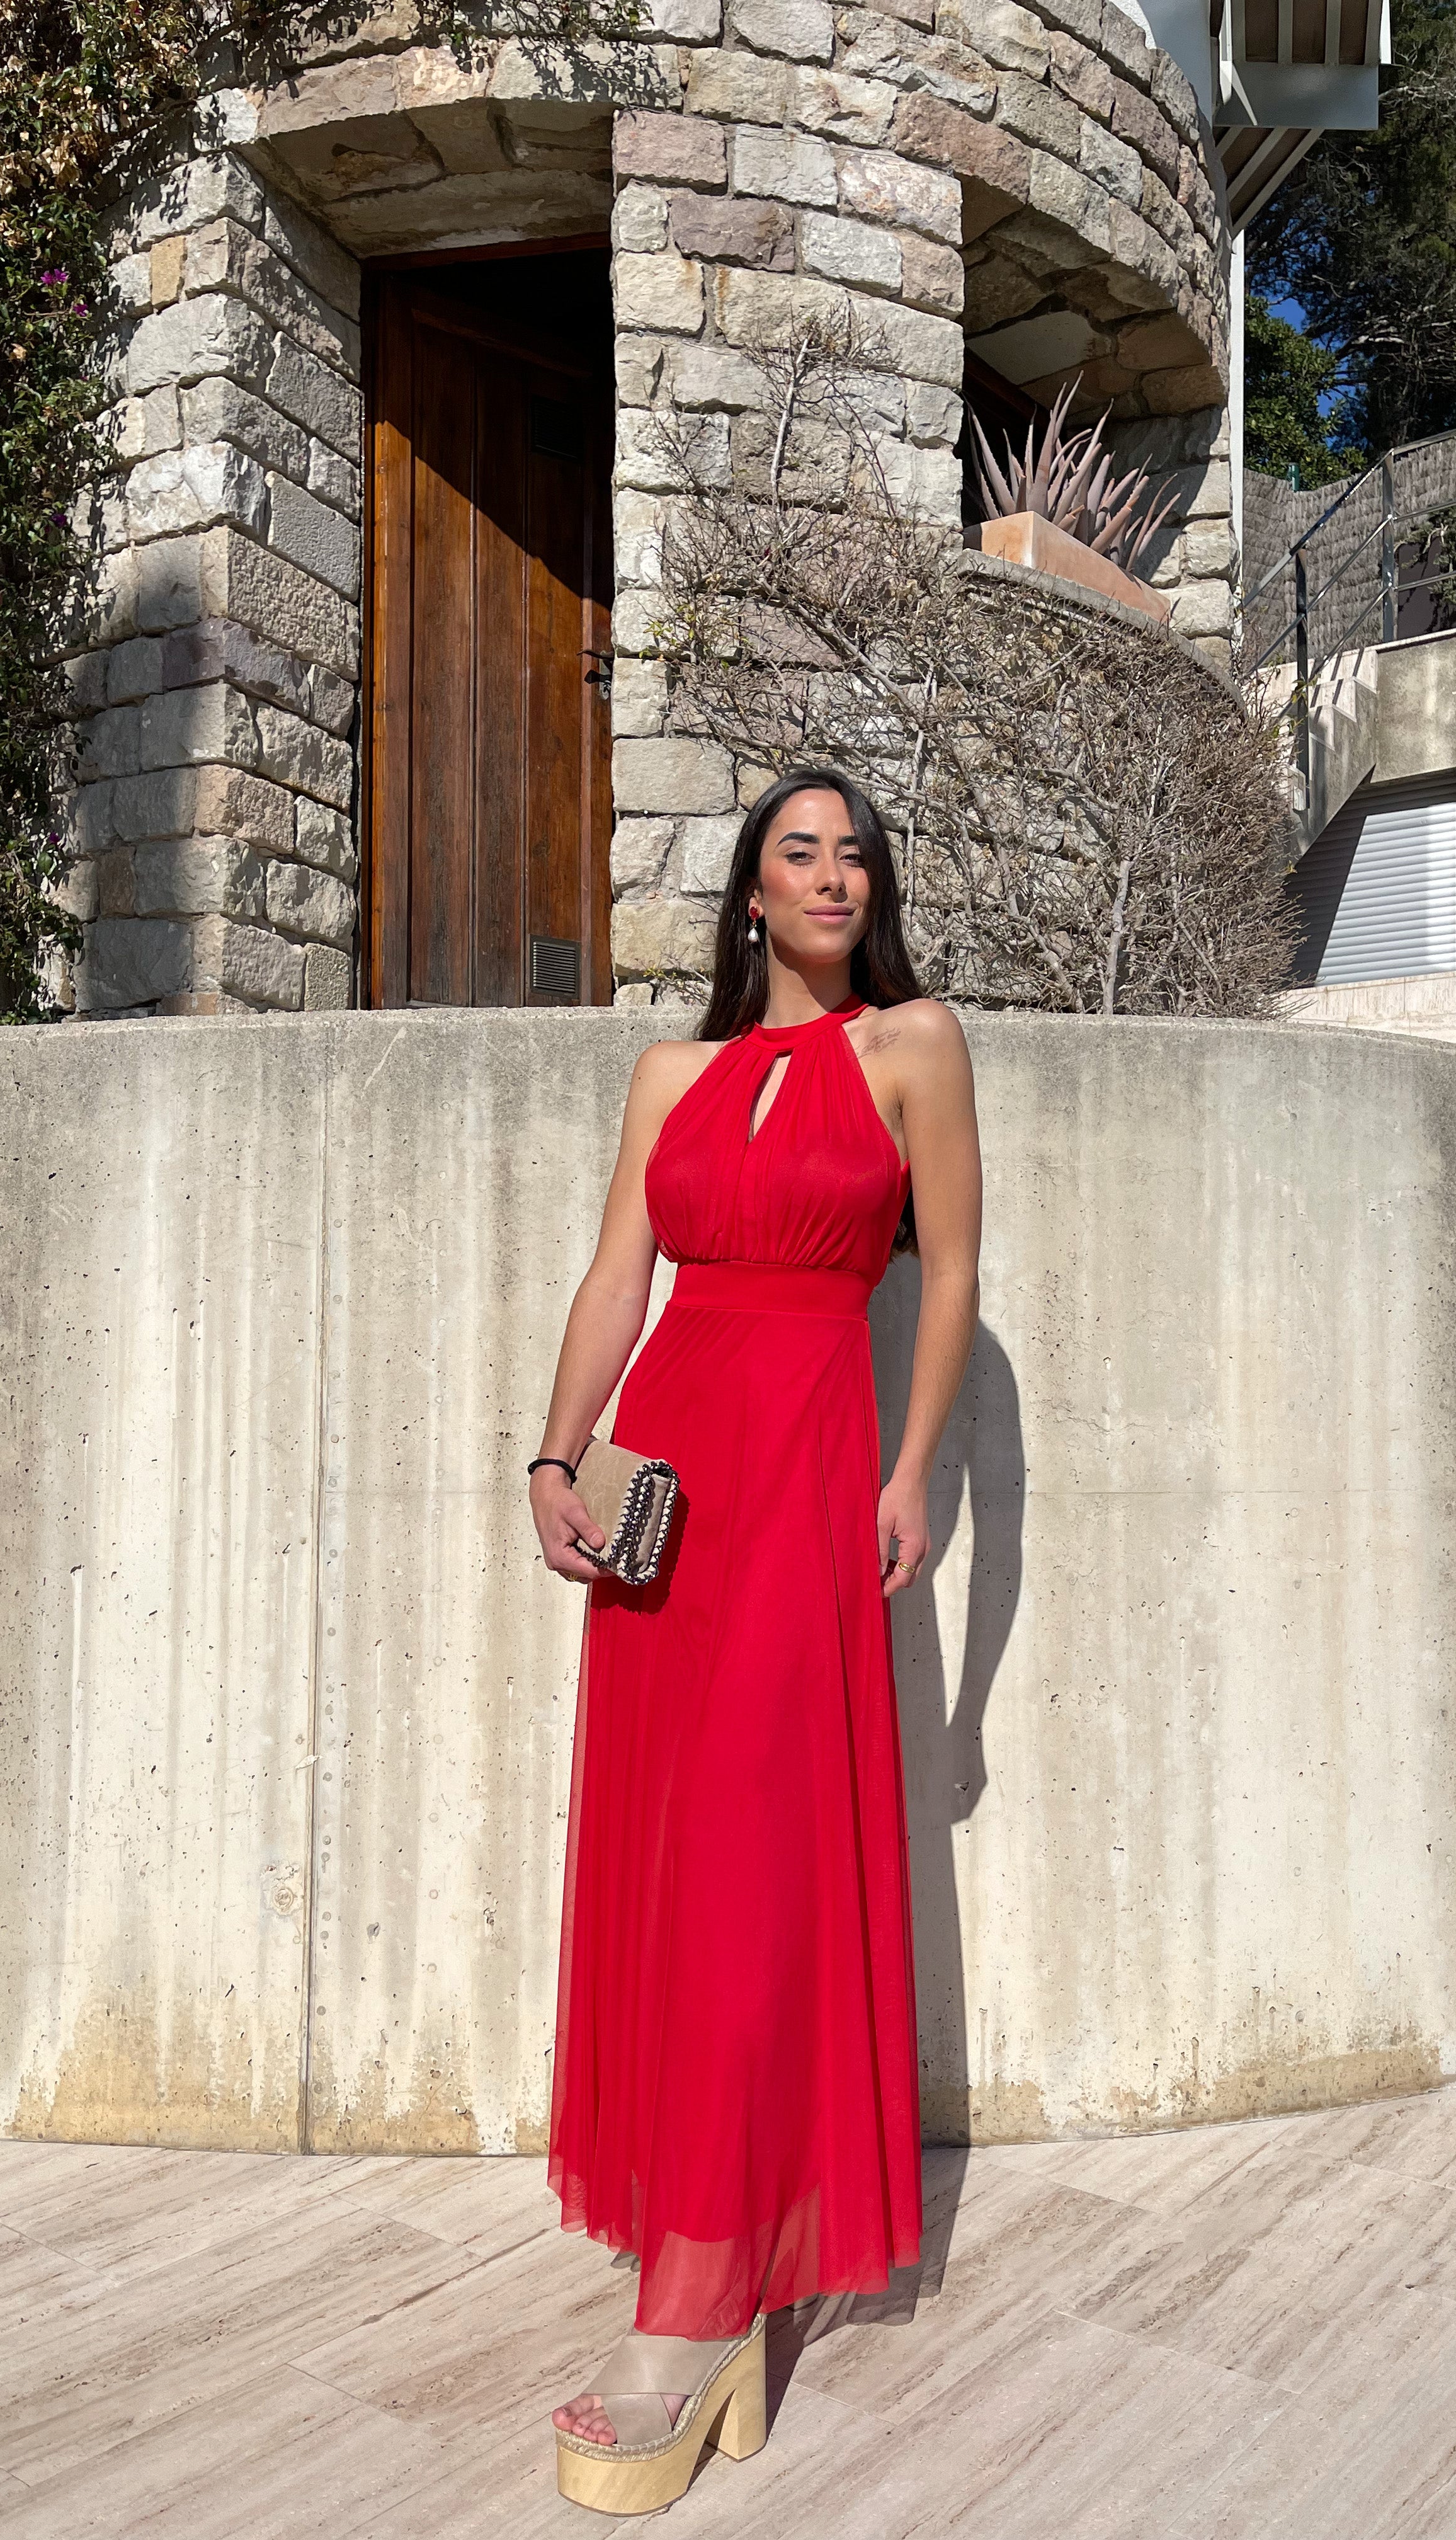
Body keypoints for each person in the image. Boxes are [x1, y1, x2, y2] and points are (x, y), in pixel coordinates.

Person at [527, 767, 983, 2515]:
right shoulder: (671, 1074)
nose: (834, 876)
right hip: (670, 1491)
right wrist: (554, 1457)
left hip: (805, 1472)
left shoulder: (914, 1047)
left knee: (744, 1862)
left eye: (857, 854)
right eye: (801, 852)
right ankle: (702, 2239)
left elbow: (949, 1278)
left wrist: (914, 1468)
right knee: (670, 1862)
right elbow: (615, 1277)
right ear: (750, 893)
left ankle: (702, 2303)